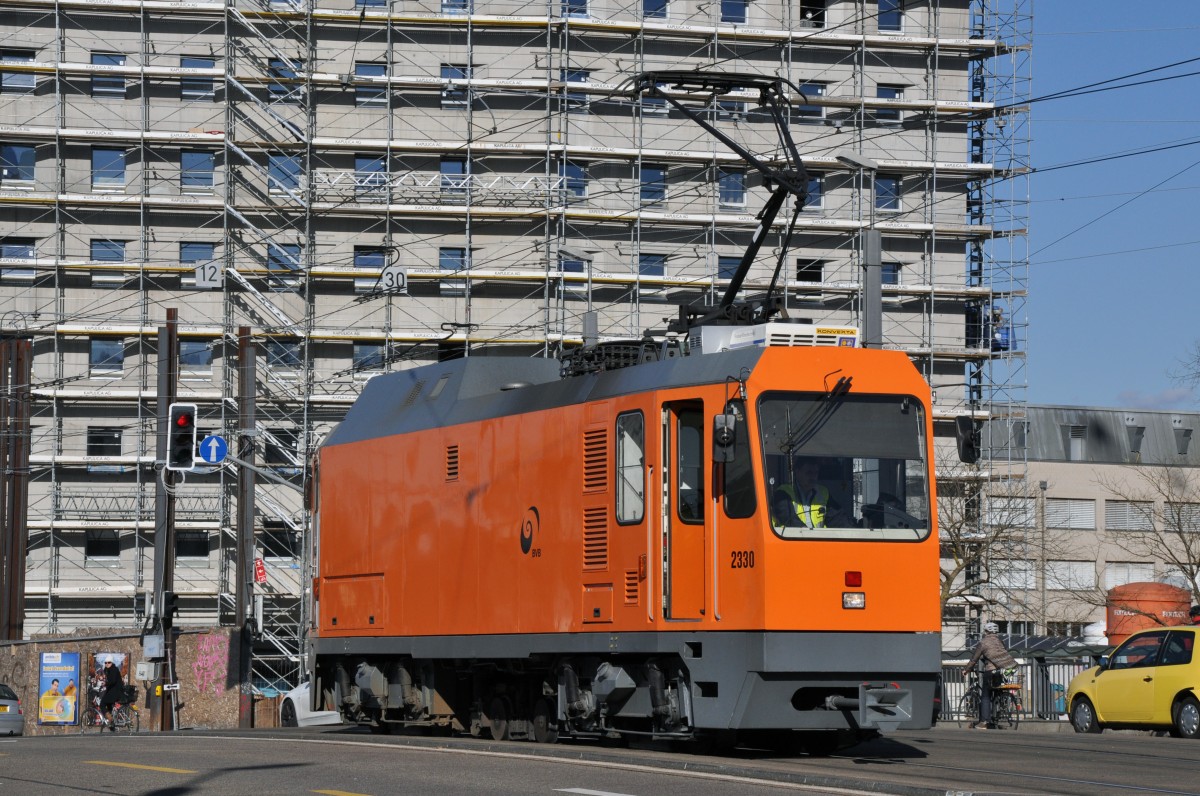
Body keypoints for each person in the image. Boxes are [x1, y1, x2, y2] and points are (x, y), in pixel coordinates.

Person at [965, 621, 1017, 729]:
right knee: (996, 691)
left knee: (985, 696)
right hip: (1001, 671)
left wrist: (967, 669)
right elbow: (1001, 656)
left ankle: (984, 722)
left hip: (990, 671)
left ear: (986, 631)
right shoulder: (1000, 641)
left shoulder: (983, 643)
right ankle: (995, 717)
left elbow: (974, 658)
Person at [778, 459, 834, 529]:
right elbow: (788, 518)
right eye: (809, 473)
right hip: (792, 538)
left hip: (818, 538)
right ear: (797, 472)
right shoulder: (783, 492)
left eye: (816, 473)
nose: (813, 477)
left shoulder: (823, 492)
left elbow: (837, 518)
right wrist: (806, 533)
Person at [99, 657, 124, 730]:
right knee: (109, 705)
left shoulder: (114, 670)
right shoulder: (107, 670)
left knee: (102, 704)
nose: (107, 664)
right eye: (105, 663)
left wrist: (105, 683)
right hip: (113, 691)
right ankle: (112, 726)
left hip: (115, 691)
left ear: (112, 663)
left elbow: (112, 681)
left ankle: (110, 719)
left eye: (109, 662)